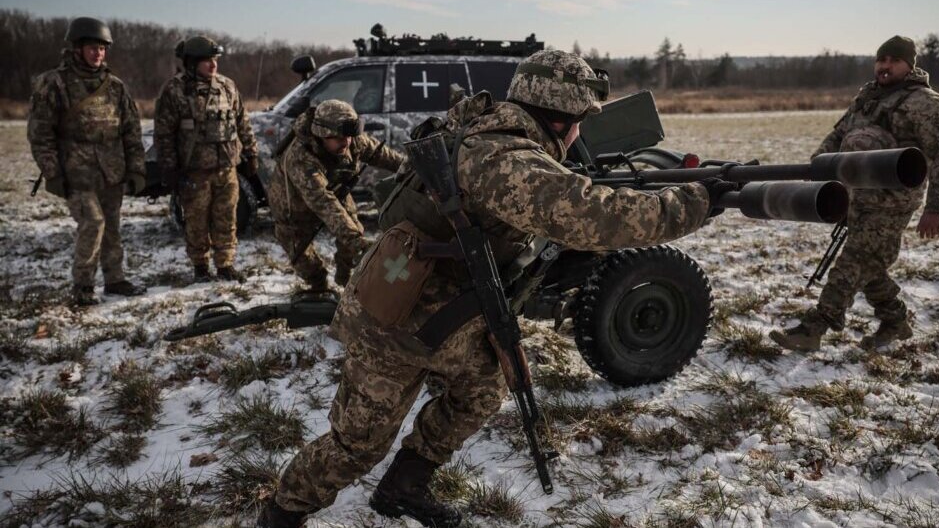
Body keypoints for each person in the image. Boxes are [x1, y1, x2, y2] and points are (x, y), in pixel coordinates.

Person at [257, 50, 731, 528]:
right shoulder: (504, 158)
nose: (581, 134)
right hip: (397, 319)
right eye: (580, 122)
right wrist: (696, 201)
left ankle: (405, 485)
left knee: (481, 391)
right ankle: (281, 512)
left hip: (448, 311)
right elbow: (595, 218)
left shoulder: (486, 129)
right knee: (356, 446)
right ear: (562, 117)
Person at [770, 35, 939, 352]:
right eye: (881, 60)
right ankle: (895, 321)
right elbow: (838, 137)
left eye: (893, 61)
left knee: (852, 262)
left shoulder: (926, 104)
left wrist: (936, 208)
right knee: (870, 264)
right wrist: (816, 172)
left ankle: (813, 329)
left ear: (909, 65)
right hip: (856, 196)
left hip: (893, 203)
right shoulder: (868, 98)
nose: (884, 66)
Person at [28, 17, 147, 306]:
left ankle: (115, 279)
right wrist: (53, 172)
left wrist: (136, 169)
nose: (98, 54)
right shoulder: (53, 83)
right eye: (92, 48)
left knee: (113, 226)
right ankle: (82, 285)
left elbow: (131, 130)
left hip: (112, 172)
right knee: (93, 223)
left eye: (103, 49)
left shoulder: (115, 87)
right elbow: (40, 133)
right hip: (76, 174)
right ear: (77, 48)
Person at [266, 100, 404, 290]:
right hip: (294, 208)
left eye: (349, 136)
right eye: (339, 138)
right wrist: (358, 243)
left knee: (352, 231)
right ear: (322, 135)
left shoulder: (349, 139)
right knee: (303, 259)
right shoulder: (300, 158)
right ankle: (319, 287)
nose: (346, 142)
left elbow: (384, 156)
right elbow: (324, 203)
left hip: (334, 190)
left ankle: (345, 278)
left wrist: (411, 166)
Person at [154, 35, 258, 283]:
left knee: (227, 218)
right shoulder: (175, 90)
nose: (213, 66)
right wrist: (169, 167)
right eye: (206, 61)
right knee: (196, 222)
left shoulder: (227, 86)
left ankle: (225, 265)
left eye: (215, 60)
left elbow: (242, 122)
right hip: (194, 172)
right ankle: (200, 267)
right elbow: (164, 133)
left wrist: (251, 153)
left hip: (227, 168)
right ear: (191, 63)